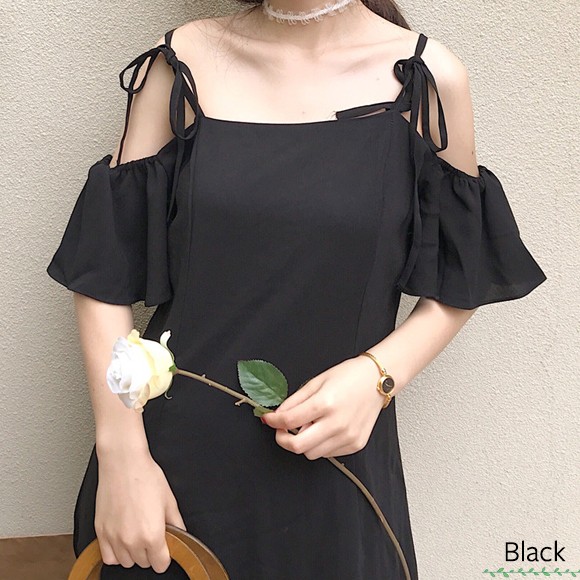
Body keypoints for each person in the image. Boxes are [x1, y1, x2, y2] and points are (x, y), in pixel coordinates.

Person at [47, 1, 547, 578]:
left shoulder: (428, 81)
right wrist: (121, 457)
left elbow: (463, 275)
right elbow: (104, 273)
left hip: (336, 478)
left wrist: (379, 377)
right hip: (165, 482)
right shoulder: (181, 63)